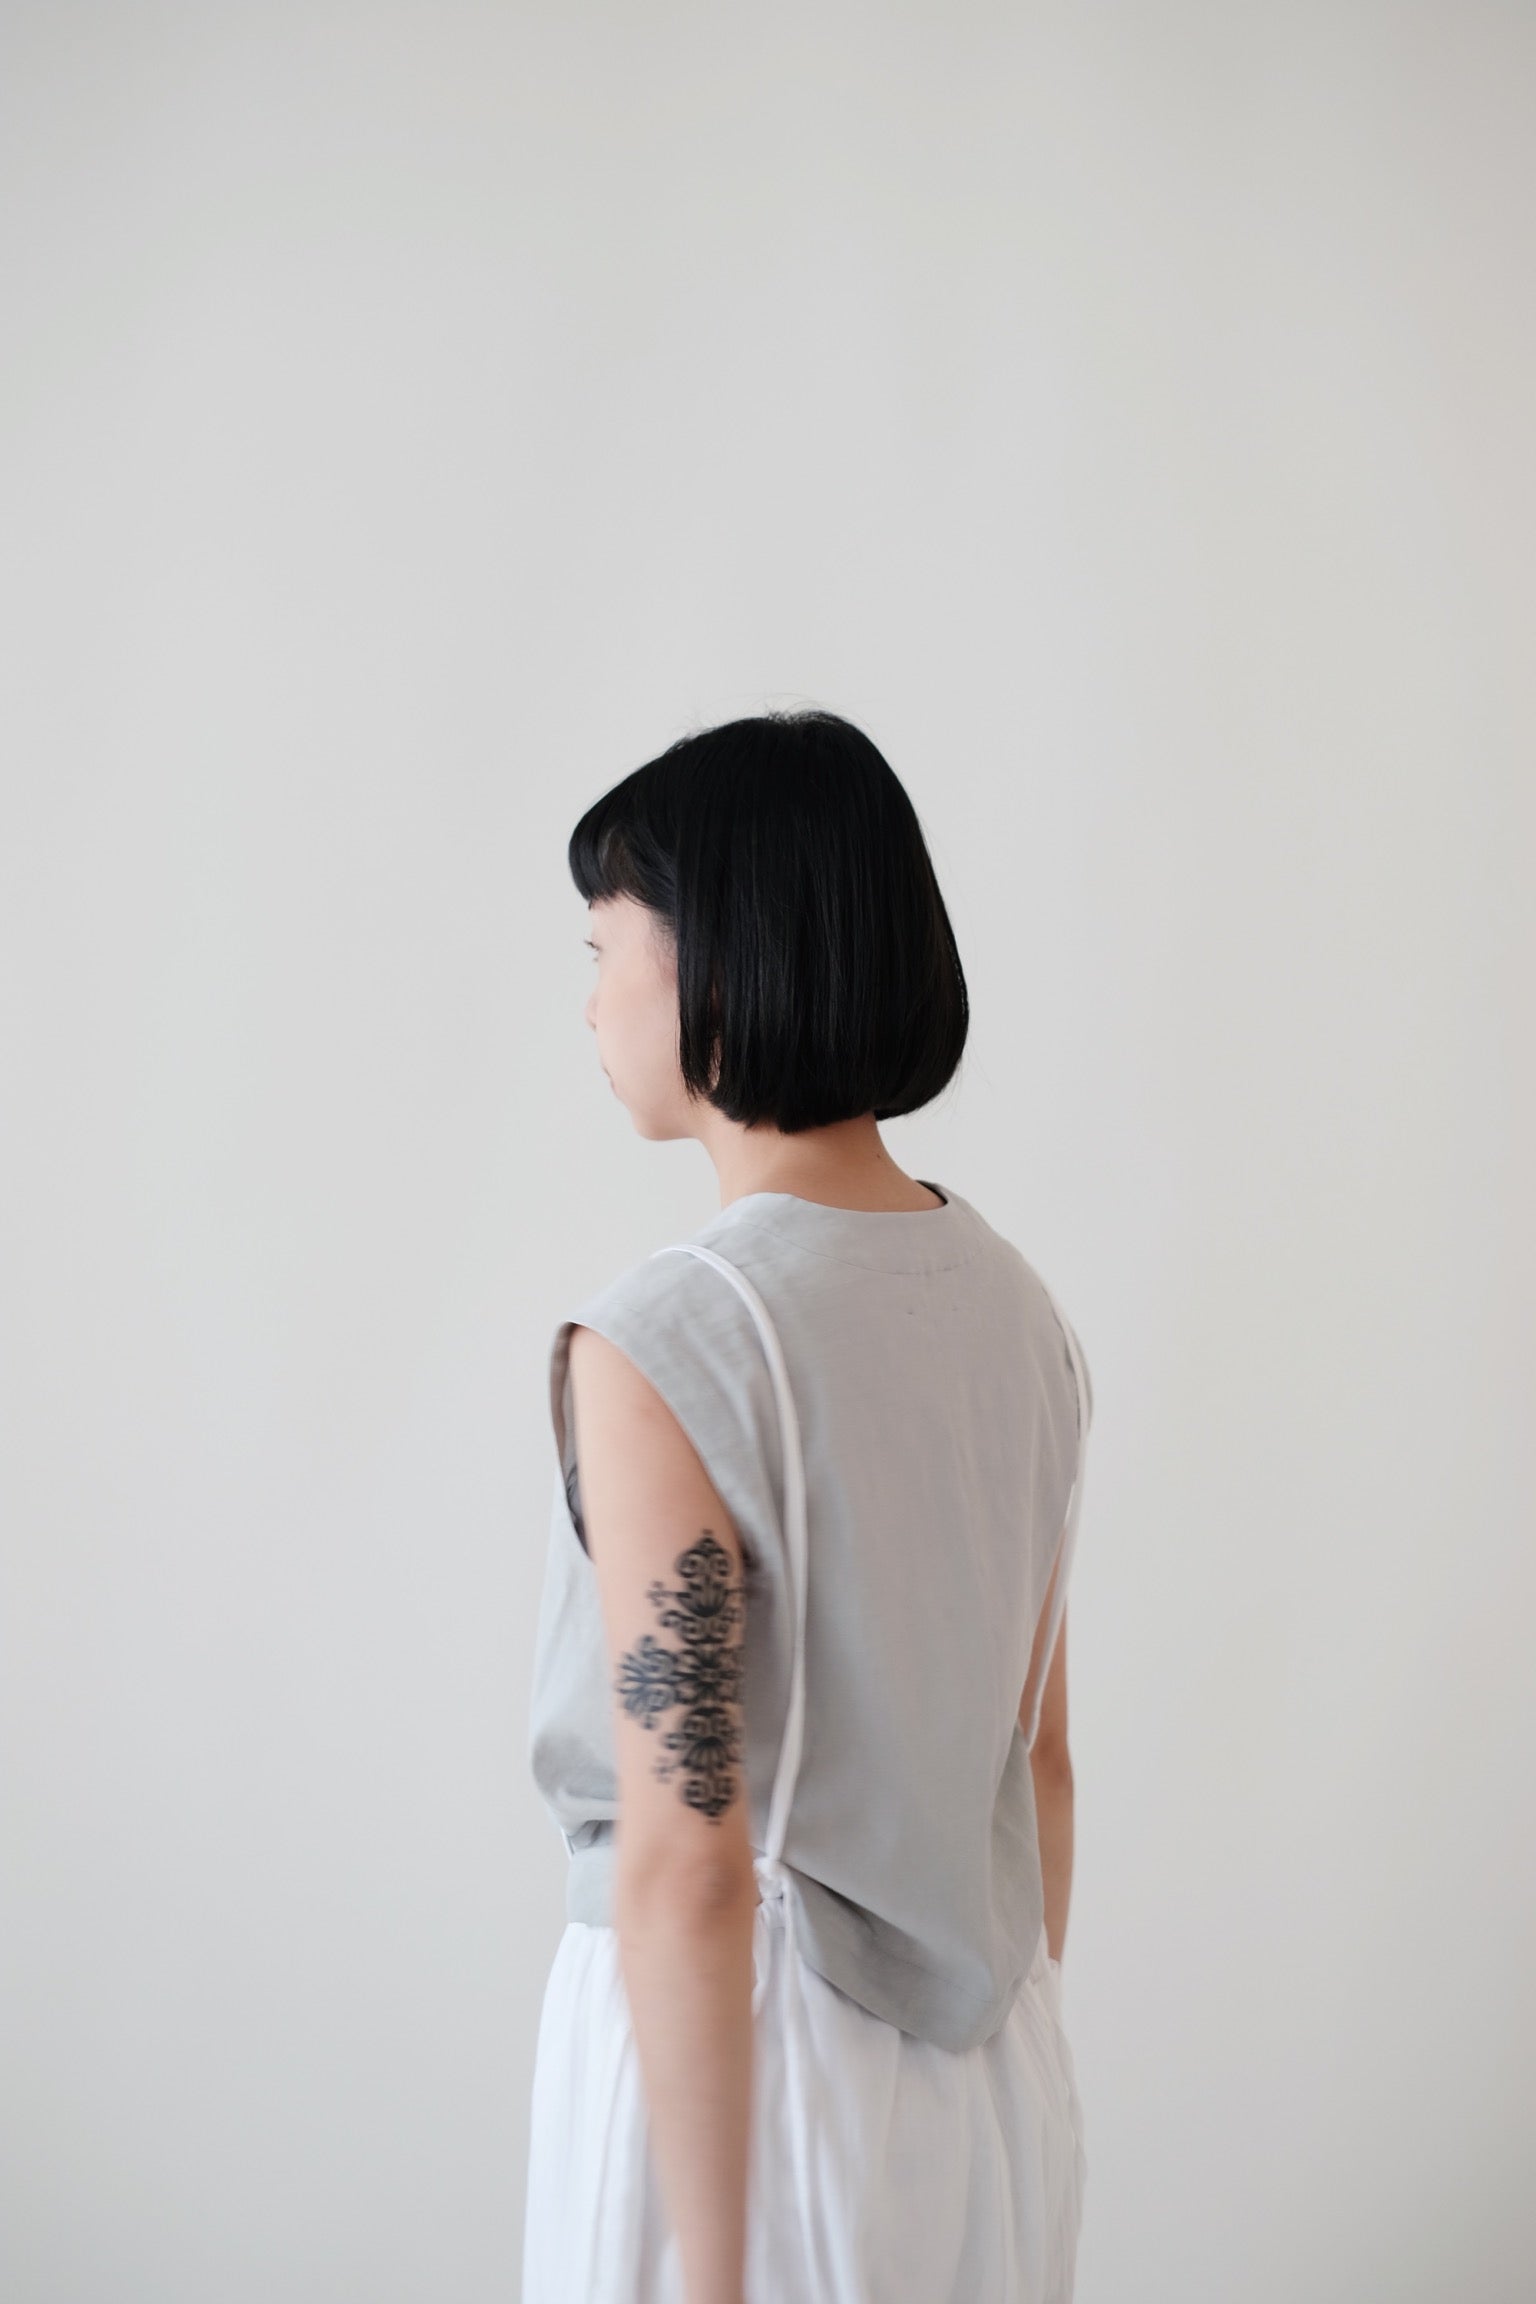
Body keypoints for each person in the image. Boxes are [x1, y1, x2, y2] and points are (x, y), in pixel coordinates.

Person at [523, 709, 1091, 2303]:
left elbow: (689, 1855)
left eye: (603, 948)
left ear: (713, 958)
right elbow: (1038, 1762)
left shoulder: (669, 1339)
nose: (590, 1001)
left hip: (738, 2080)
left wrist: (706, 2268)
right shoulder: (1021, 1315)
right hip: (990, 2080)